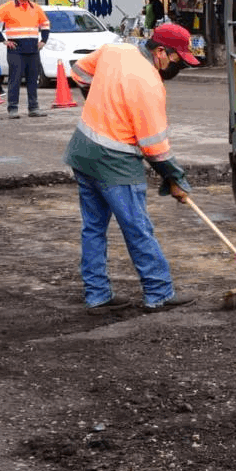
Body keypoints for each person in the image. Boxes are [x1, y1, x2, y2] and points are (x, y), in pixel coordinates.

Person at [64, 23, 201, 314]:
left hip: (82, 151)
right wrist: (174, 180)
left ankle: (97, 295)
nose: (177, 67)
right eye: (177, 60)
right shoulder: (149, 83)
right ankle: (159, 293)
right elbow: (155, 147)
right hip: (115, 161)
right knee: (137, 227)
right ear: (161, 51)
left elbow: (78, 72)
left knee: (93, 228)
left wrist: (99, 101)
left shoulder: (116, 49)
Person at [0, 0, 50, 119]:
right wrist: (3, 41)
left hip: (33, 49)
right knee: (15, 79)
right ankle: (12, 109)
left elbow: (45, 24)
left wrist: (43, 41)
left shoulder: (36, 8)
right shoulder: (7, 7)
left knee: (33, 80)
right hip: (16, 49)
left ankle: (33, 108)